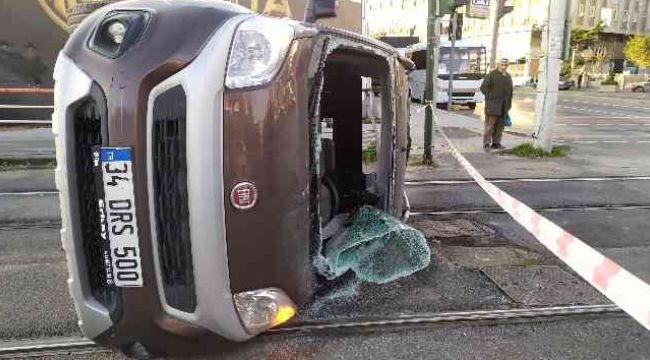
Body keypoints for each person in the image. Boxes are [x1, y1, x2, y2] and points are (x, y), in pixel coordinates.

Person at [480, 58, 513, 152]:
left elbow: (510, 92)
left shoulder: (508, 76)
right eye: (502, 64)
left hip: (504, 106)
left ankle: (496, 143)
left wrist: (509, 104)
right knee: (490, 125)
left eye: (505, 65)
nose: (504, 66)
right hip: (492, 106)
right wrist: (491, 97)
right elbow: (483, 88)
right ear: (498, 64)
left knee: (500, 126)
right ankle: (486, 143)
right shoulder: (492, 75)